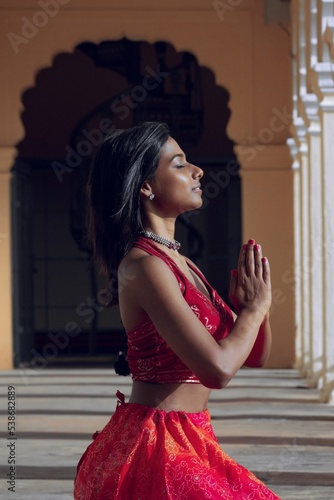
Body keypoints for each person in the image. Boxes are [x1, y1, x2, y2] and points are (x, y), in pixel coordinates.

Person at [74, 121, 281, 499]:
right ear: (146, 185)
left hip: (194, 435)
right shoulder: (144, 266)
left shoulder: (181, 263)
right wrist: (254, 312)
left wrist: (254, 308)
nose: (197, 171)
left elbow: (253, 356)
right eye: (180, 164)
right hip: (156, 445)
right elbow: (217, 370)